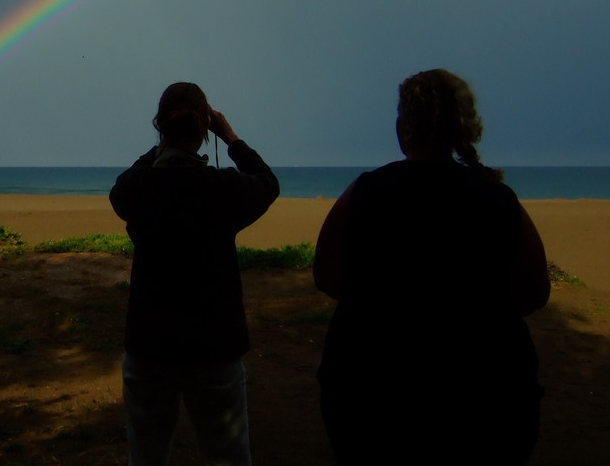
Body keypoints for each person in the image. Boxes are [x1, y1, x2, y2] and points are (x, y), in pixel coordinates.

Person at [314, 69, 550, 465]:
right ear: (464, 127)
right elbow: (534, 292)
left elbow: (327, 276)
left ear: (403, 126)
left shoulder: (365, 191)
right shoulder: (498, 199)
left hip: (371, 391)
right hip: (488, 393)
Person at [109, 82, 280, 466]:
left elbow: (121, 189)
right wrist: (231, 138)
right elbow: (267, 183)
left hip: (149, 344)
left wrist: (162, 146)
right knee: (228, 455)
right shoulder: (223, 187)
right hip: (215, 346)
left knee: (147, 454)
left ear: (160, 126)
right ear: (205, 128)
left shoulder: (139, 187)